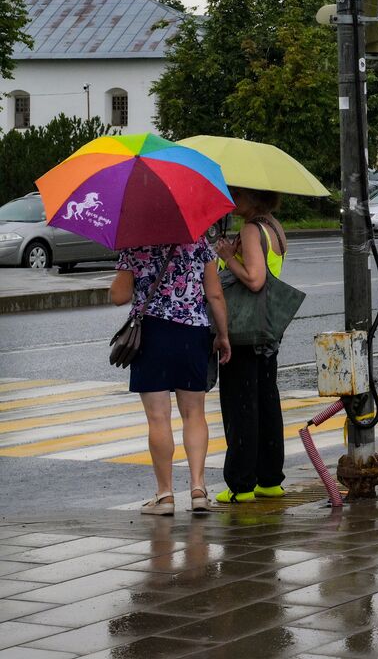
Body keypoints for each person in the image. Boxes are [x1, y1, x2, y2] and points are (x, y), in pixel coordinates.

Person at [112, 235, 230, 516]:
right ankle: (199, 489)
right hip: (192, 332)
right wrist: (224, 335)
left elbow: (120, 296)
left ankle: (165, 495)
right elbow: (214, 294)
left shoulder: (134, 243)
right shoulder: (199, 244)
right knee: (194, 414)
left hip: (151, 335)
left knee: (158, 417)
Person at [214, 187, 290, 503]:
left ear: (253, 198)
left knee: (240, 407)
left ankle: (241, 485)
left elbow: (255, 279)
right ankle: (270, 479)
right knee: (266, 403)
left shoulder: (249, 229)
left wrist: (228, 257)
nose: (231, 200)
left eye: (237, 195)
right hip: (266, 327)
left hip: (243, 330)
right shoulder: (273, 226)